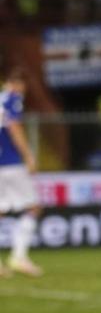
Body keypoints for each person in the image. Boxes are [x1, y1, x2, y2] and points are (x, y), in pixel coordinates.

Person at [0, 68, 43, 277]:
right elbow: (14, 127)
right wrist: (28, 156)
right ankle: (19, 257)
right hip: (10, 164)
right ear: (17, 84)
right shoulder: (12, 99)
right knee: (33, 207)